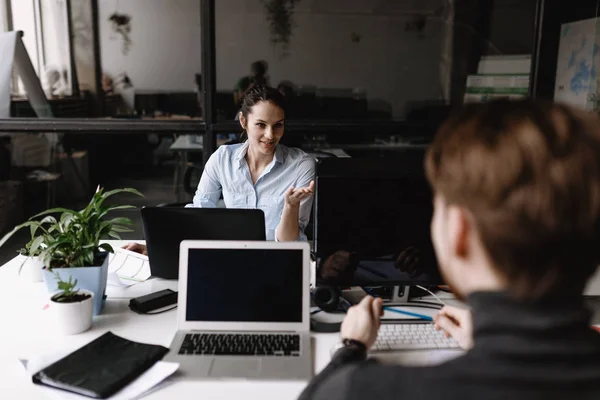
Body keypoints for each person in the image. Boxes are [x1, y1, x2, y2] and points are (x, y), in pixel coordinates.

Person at [299, 99, 600, 400]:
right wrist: (488, 339)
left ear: (459, 230)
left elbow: (320, 393)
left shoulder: (368, 391)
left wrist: (352, 347)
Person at [124, 85, 315, 255]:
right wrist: (157, 249)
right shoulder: (223, 158)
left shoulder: (301, 166)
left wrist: (290, 207)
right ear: (243, 121)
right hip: (231, 260)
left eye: (278, 125)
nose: (270, 135)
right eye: (261, 125)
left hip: (281, 260)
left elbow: (289, 244)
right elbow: (199, 214)